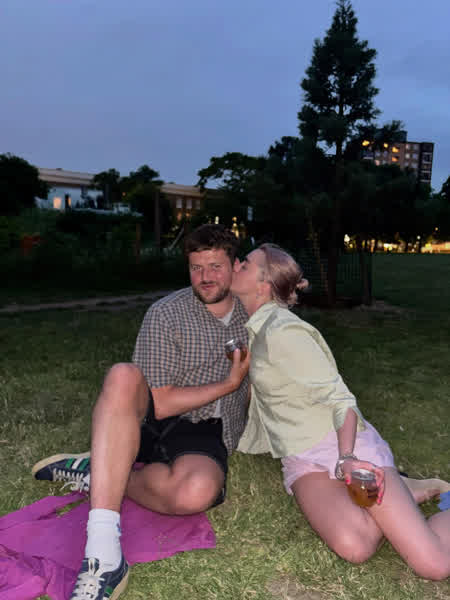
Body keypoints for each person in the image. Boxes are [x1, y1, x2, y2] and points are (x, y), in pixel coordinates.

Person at [31, 224, 251, 600]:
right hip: (156, 419)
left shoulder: (254, 313)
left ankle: (99, 472)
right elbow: (160, 402)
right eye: (196, 267)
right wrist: (228, 385)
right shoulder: (166, 313)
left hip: (206, 430)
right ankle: (103, 553)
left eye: (215, 266)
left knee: (195, 493)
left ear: (235, 266)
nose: (205, 277)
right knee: (122, 375)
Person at [232, 243, 450, 580]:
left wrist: (346, 458)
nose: (236, 265)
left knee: (434, 565)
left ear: (263, 285)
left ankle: (402, 492)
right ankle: (404, 493)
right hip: (301, 459)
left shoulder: (283, 331)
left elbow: (340, 400)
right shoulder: (256, 329)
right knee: (355, 546)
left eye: (245, 264)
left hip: (342, 446)